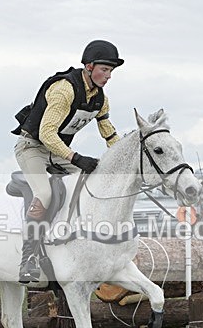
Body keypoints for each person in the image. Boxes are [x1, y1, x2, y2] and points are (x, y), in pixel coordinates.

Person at [12, 40, 124, 283]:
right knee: (44, 193)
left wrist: (123, 161)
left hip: (58, 151)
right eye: (104, 70)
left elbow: (109, 133)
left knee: (93, 181)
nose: (108, 76)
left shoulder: (100, 100)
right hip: (32, 147)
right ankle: (28, 256)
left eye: (111, 71)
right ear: (89, 66)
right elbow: (46, 134)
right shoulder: (65, 90)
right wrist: (76, 158)